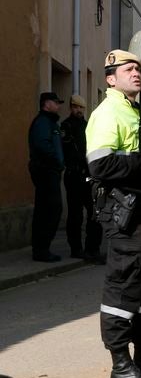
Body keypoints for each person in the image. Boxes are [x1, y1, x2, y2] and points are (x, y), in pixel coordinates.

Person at [86, 50, 141, 378]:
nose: (136, 73)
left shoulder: (137, 110)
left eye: (138, 68)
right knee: (124, 286)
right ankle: (120, 364)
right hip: (124, 213)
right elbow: (100, 166)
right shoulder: (108, 112)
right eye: (127, 69)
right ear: (111, 78)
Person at [28, 91, 65, 262]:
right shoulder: (43, 122)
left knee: (49, 209)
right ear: (46, 104)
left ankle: (42, 248)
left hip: (50, 171)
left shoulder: (50, 123)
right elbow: (42, 145)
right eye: (55, 102)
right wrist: (56, 162)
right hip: (45, 171)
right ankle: (41, 250)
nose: (58, 106)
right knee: (49, 209)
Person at [62, 94, 99, 261]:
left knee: (94, 211)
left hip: (88, 175)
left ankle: (93, 249)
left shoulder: (87, 126)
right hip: (74, 174)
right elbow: (69, 152)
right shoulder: (66, 126)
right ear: (71, 107)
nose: (78, 110)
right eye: (76, 107)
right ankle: (76, 249)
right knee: (75, 214)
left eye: (81, 108)